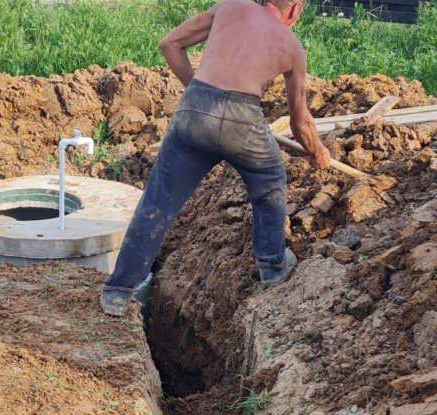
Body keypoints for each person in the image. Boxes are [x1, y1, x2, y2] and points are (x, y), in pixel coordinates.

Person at [100, 0, 331, 317]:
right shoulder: (292, 47)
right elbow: (299, 122)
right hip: (243, 119)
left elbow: (169, 44)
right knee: (270, 182)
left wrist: (200, 94)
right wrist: (319, 154)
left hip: (194, 110)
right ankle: (273, 265)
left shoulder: (229, 7)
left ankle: (118, 291)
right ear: (296, 9)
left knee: (157, 201)